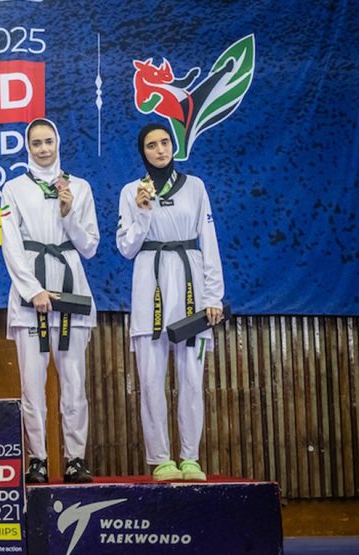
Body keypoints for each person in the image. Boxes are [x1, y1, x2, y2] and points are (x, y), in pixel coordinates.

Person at [116, 123, 225, 481]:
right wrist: (142, 211)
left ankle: (190, 457)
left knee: (192, 378)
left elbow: (208, 239)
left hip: (190, 282)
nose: (160, 149)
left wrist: (213, 295)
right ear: (142, 152)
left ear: (173, 146)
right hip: (150, 284)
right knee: (151, 379)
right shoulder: (132, 191)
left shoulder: (195, 187)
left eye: (165, 142)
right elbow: (126, 247)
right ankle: (161, 459)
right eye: (152, 145)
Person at [0, 118, 98, 484]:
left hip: (71, 288)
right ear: (28, 147)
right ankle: (37, 458)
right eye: (36, 143)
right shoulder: (13, 188)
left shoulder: (79, 187)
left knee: (74, 382)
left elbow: (90, 246)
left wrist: (68, 214)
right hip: (31, 294)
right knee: (31, 385)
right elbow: (10, 243)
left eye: (48, 141)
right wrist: (32, 290)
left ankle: (76, 458)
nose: (43, 149)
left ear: (58, 143)